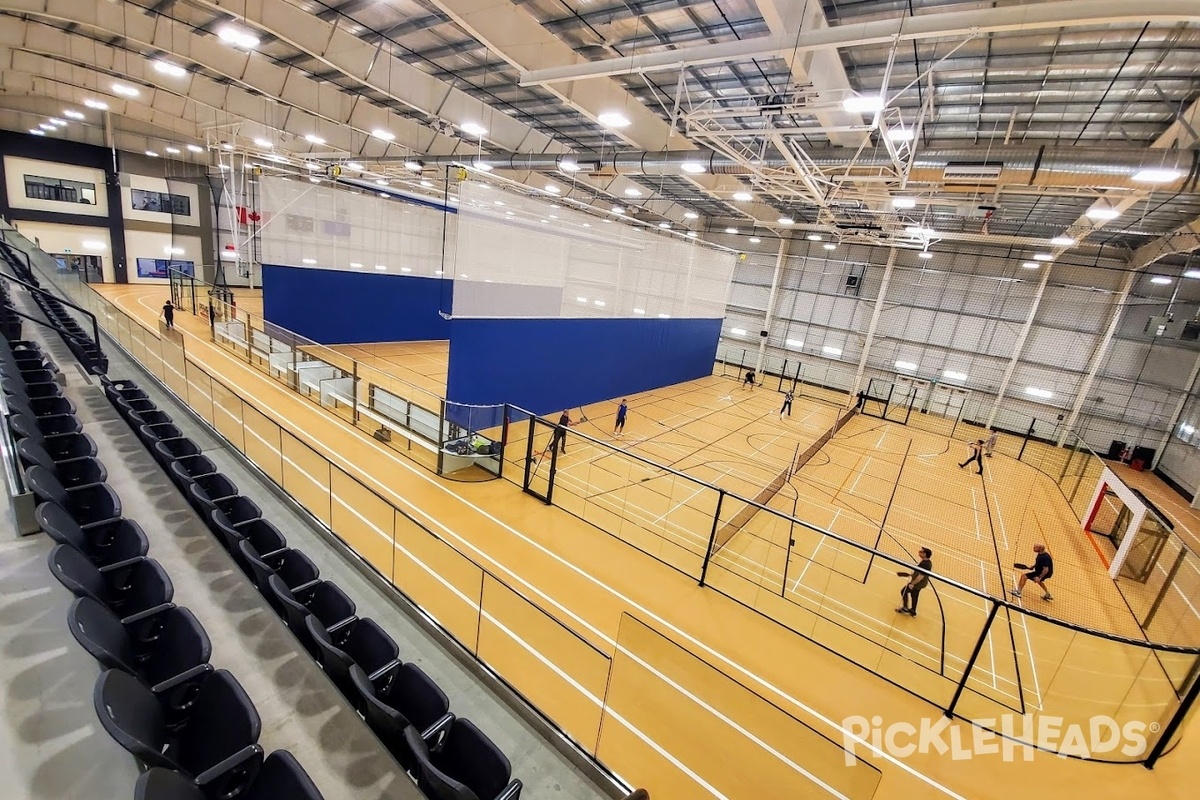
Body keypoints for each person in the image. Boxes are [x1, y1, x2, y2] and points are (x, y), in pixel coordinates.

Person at [896, 547, 933, 617]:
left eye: (921, 551)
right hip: (921, 583)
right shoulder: (927, 562)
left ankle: (905, 608)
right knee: (914, 595)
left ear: (925, 554)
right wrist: (911, 575)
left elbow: (920, 577)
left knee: (903, 591)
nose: (919, 552)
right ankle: (913, 611)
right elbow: (919, 573)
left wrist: (912, 584)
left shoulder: (925, 564)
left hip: (918, 584)